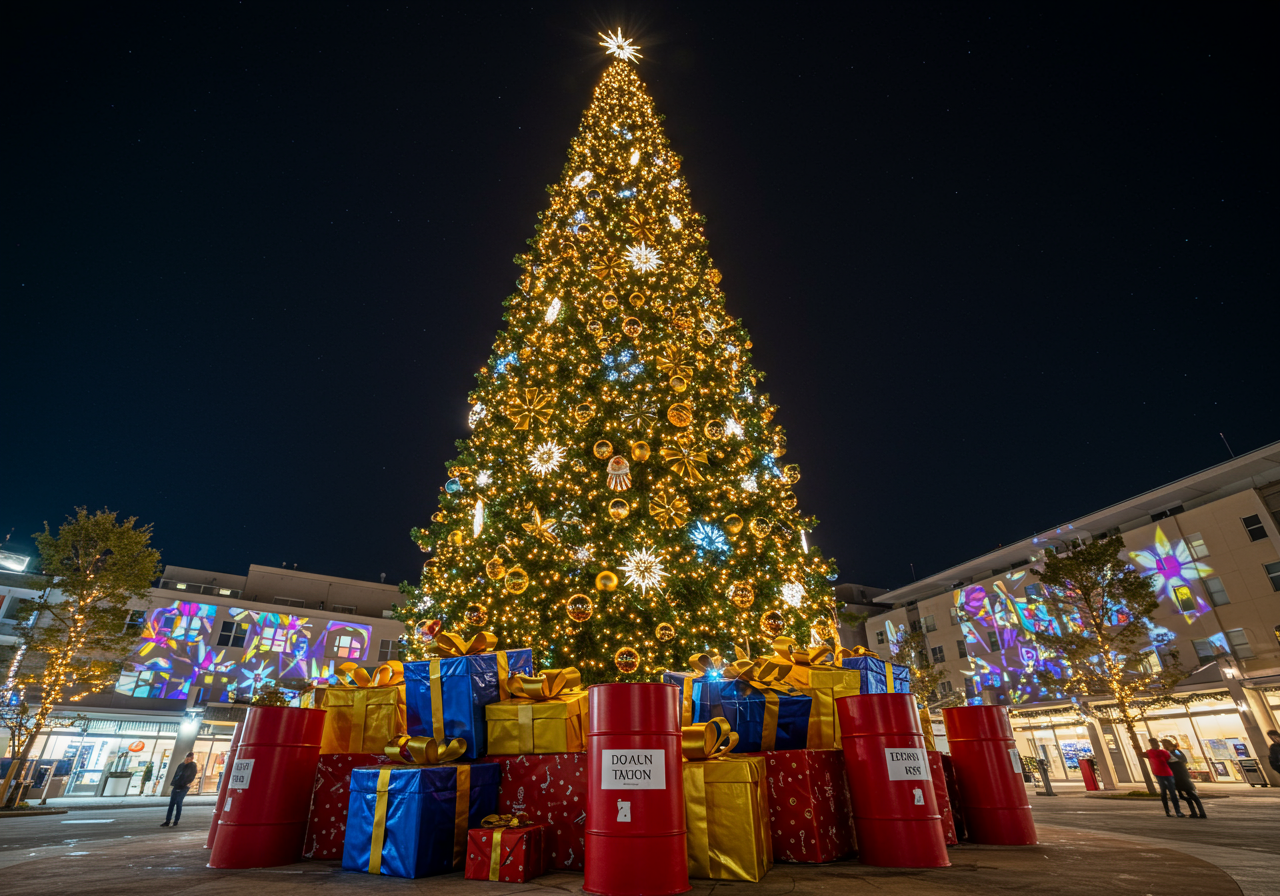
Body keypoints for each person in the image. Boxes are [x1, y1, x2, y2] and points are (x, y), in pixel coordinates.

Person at [1161, 738, 1206, 818]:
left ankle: (1201, 812)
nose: (1163, 746)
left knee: (1191, 794)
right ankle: (1194, 812)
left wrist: (1173, 755)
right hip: (1175, 775)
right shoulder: (1167, 753)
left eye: (1164, 744)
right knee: (1182, 795)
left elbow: (1183, 759)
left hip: (1181, 774)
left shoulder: (1175, 751)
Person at [1144, 737, 1184, 817]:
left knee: (1172, 792)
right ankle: (1169, 811)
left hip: (1167, 773)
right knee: (1164, 793)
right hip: (1159, 774)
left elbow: (1168, 759)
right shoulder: (1150, 752)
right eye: (1154, 743)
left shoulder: (1163, 752)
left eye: (1157, 743)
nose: (1157, 745)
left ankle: (1177, 811)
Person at [161, 753, 198, 827]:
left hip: (184, 786)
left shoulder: (192, 766)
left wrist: (185, 783)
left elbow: (191, 776)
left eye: (189, 759)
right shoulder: (181, 765)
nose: (187, 760)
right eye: (186, 758)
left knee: (178, 803)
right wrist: (174, 783)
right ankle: (168, 821)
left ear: (191, 759)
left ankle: (176, 820)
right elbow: (176, 774)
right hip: (177, 785)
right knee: (172, 803)